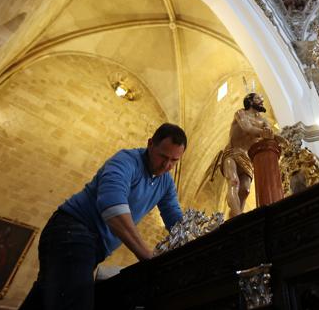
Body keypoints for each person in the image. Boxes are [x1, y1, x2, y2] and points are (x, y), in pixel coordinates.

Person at [19, 123, 187, 310]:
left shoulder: (166, 183)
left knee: (46, 299)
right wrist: (147, 256)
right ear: (150, 144)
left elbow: (177, 224)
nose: (166, 165)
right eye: (163, 156)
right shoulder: (126, 160)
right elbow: (112, 207)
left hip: (90, 248)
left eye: (174, 161)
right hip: (70, 232)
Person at [221, 93, 274, 217]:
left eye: (262, 99)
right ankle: (240, 218)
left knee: (245, 190)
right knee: (233, 181)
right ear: (250, 101)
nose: (261, 101)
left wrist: (277, 138)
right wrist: (265, 133)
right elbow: (247, 128)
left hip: (248, 158)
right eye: (258, 99)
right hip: (233, 152)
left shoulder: (264, 121)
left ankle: (233, 218)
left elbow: (269, 135)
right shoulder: (241, 113)